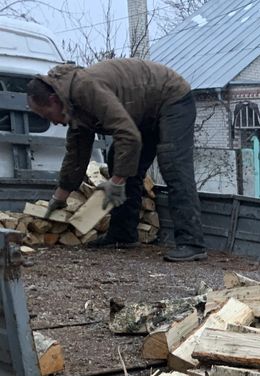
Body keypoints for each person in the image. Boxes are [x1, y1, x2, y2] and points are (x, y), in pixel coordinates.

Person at [26, 58, 206, 262]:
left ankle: (192, 243)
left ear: (53, 100)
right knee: (117, 157)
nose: (51, 122)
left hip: (171, 98)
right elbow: (77, 153)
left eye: (47, 115)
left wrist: (117, 182)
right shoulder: (70, 103)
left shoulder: (85, 89)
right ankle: (123, 234)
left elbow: (128, 135)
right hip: (143, 111)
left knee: (173, 164)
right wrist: (60, 197)